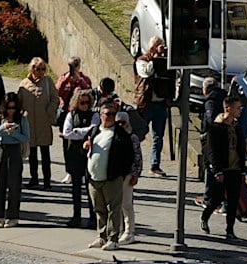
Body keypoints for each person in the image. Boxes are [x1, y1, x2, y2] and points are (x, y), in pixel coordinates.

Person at [85, 99, 138, 252]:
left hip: (112, 178)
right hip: (94, 178)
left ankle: (113, 238)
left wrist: (121, 174)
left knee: (114, 209)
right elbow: (88, 149)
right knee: (99, 209)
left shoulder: (121, 135)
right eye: (107, 114)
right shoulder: (95, 130)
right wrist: (86, 147)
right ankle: (101, 236)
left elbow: (129, 156)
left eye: (113, 114)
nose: (110, 117)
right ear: (100, 115)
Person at [199, 92, 246, 236]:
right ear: (228, 108)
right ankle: (205, 217)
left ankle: (230, 230)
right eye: (237, 108)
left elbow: (241, 149)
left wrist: (242, 170)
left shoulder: (237, 128)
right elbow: (212, 151)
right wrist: (217, 170)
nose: (240, 110)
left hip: (235, 169)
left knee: (233, 202)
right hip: (222, 169)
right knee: (217, 199)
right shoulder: (216, 128)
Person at [133, 38, 175, 175]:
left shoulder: (164, 62)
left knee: (158, 137)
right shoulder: (142, 60)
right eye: (158, 47)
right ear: (152, 48)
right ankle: (133, 162)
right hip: (146, 104)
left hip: (161, 104)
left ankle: (154, 165)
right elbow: (146, 73)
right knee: (139, 134)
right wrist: (155, 59)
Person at [59, 87, 98, 229]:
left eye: (87, 102)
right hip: (74, 155)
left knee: (90, 188)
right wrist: (85, 131)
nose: (85, 105)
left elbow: (95, 129)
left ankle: (93, 217)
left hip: (89, 156)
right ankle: (76, 216)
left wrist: (78, 131)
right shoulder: (71, 115)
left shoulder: (94, 115)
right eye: (82, 103)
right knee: (76, 188)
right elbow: (67, 133)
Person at [17, 57, 58, 187]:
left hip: (43, 122)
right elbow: (19, 103)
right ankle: (34, 178)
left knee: (45, 153)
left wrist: (48, 113)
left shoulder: (47, 81)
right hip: (29, 123)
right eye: (37, 69)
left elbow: (55, 99)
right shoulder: (24, 83)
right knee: (32, 153)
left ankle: (47, 180)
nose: (40, 71)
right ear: (32, 69)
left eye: (43, 69)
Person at [0, 95, 30, 228]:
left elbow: (26, 137)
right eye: (8, 108)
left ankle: (13, 216)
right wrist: (3, 128)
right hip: (1, 150)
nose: (11, 111)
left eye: (13, 108)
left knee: (14, 184)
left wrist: (14, 134)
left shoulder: (22, 119)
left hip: (14, 150)